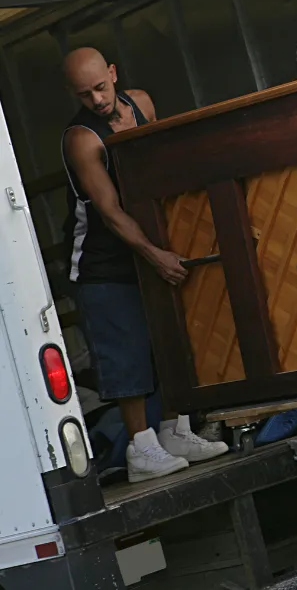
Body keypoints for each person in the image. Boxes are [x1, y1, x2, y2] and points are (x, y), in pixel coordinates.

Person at [61, 47, 229, 483]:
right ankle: (141, 449)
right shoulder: (82, 138)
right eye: (85, 94)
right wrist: (156, 255)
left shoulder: (142, 104)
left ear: (113, 73)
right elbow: (110, 212)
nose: (98, 100)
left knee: (170, 339)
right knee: (127, 353)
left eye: (101, 87)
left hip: (151, 244)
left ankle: (175, 432)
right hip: (103, 264)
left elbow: (162, 169)